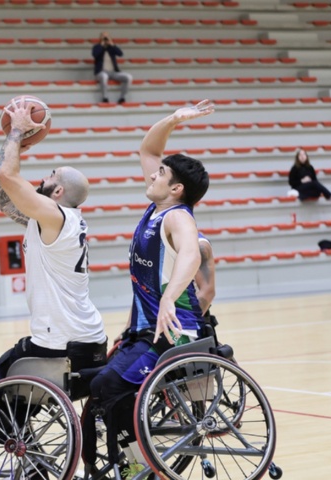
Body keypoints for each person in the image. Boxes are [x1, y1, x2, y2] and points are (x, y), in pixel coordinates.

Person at [89, 100, 212, 478]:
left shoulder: (177, 216)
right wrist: (173, 120)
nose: (150, 176)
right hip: (144, 329)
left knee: (108, 384)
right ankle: (119, 458)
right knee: (94, 386)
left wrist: (170, 298)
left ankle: (138, 464)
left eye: (160, 174)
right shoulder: (158, 207)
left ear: (176, 188)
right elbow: (148, 150)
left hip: (174, 331)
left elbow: (191, 255)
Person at [0, 98, 108, 392]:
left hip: (62, 342)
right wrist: (15, 146)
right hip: (88, 338)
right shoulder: (53, 219)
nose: (43, 177)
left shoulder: (54, 215)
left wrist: (16, 131)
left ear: (59, 190)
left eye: (51, 175)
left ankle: (13, 438)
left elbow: (5, 175)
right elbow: (3, 198)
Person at [92, 31, 132, 104]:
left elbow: (120, 54)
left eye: (107, 36)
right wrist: (101, 44)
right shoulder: (97, 47)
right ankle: (105, 97)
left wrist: (112, 44)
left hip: (113, 72)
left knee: (129, 77)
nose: (105, 38)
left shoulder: (112, 48)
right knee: (104, 76)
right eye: (103, 36)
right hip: (101, 72)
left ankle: (122, 97)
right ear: (100, 38)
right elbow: (95, 55)